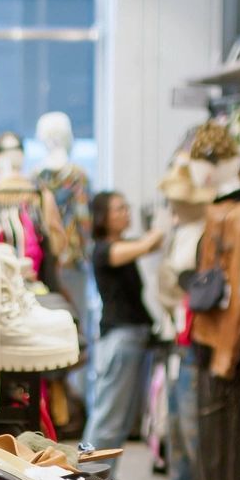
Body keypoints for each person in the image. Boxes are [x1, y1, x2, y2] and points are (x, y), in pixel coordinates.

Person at [82, 190, 163, 458]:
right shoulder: (104, 251)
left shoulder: (118, 247)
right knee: (108, 419)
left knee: (117, 421)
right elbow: (147, 245)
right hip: (120, 339)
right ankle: (86, 479)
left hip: (129, 338)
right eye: (119, 208)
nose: (126, 212)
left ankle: (98, 479)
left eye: (126, 207)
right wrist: (164, 222)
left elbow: (147, 245)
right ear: (103, 217)